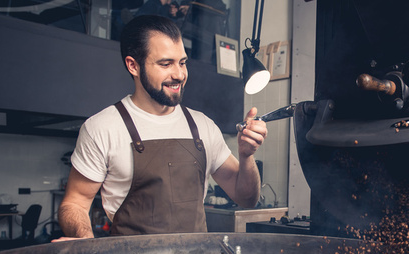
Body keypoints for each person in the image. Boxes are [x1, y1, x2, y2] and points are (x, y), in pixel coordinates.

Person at [57, 15, 266, 239]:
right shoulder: (102, 128)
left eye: (182, 62)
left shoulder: (202, 126)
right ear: (133, 66)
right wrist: (85, 243)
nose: (179, 74)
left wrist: (246, 156)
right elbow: (75, 204)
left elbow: (247, 198)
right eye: (165, 64)